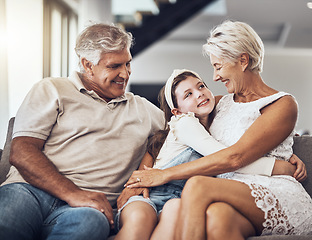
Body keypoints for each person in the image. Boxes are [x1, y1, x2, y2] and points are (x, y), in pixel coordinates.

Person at [124, 20, 312, 239]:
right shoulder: (219, 103)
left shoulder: (283, 103)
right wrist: (139, 180)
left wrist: (163, 175)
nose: (214, 77)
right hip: (230, 193)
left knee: (197, 185)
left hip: (274, 191)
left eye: (218, 66)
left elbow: (236, 156)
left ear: (243, 61)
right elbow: (165, 138)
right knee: (216, 217)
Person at [0, 23, 165, 240]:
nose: (124, 74)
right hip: (28, 191)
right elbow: (21, 151)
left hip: (87, 210)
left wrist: (142, 177)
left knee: (91, 224)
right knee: (7, 221)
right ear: (88, 65)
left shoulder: (146, 110)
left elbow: (180, 129)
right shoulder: (52, 89)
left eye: (127, 63)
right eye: (114, 66)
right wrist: (73, 193)